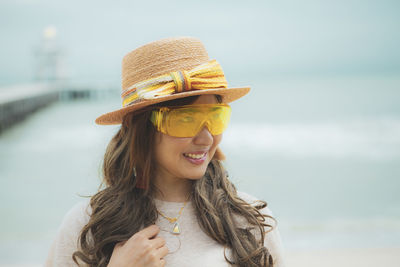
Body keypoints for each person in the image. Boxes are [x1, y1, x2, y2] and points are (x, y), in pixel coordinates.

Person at [45, 36, 285, 267]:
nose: (206, 137)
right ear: (138, 127)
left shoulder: (251, 219)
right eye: (186, 119)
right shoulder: (86, 224)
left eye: (215, 117)